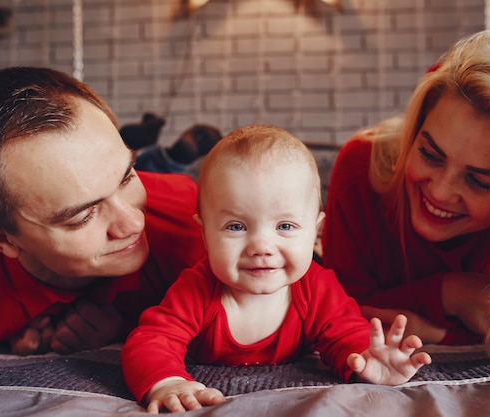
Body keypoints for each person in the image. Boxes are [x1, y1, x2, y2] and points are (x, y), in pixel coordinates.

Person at [121, 124, 432, 413]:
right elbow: (150, 340)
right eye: (236, 226)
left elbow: (344, 333)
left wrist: (367, 360)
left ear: (316, 231)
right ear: (204, 232)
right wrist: (168, 381)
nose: (261, 246)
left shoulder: (315, 286)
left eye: (285, 225)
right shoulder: (198, 288)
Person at [321, 28, 490, 379]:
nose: (440, 192)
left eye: (480, 181)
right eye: (429, 154)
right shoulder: (361, 166)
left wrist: (434, 330)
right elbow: (335, 315)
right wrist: (449, 292)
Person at [0, 66, 206, 354]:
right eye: (82, 217)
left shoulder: (202, 222)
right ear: (1, 239)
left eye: (127, 177)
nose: (133, 223)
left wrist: (129, 328)